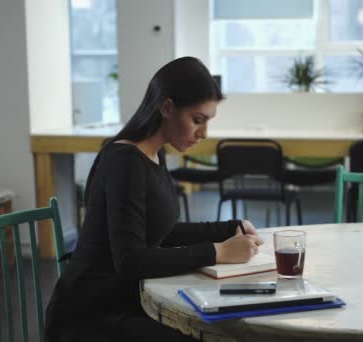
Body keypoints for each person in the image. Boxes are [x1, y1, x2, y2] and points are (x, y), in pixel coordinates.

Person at [45, 57, 263, 341]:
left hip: (124, 303)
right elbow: (132, 261)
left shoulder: (152, 154)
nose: (204, 133)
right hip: (91, 316)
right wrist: (218, 251)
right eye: (197, 120)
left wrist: (230, 228)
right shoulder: (126, 162)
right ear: (167, 107)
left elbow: (160, 231)